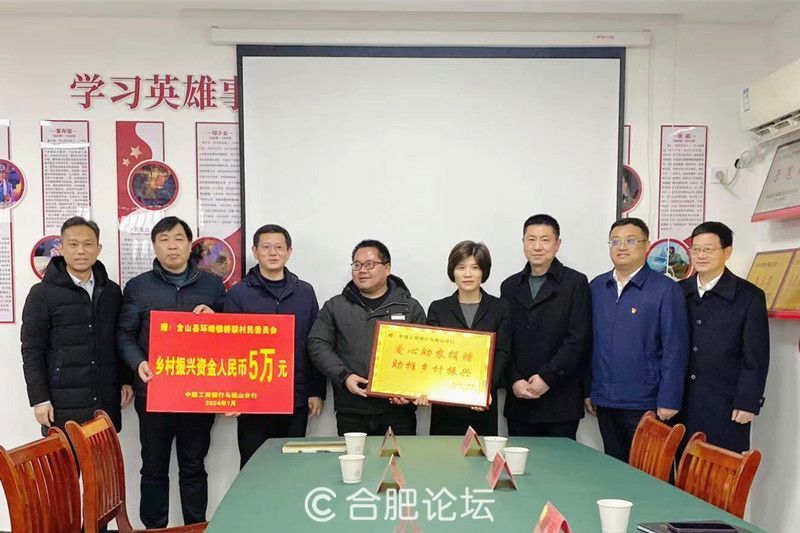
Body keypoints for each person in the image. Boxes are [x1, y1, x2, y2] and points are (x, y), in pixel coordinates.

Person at [117, 216, 226, 529]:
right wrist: (138, 362)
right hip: (154, 392)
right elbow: (124, 334)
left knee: (194, 467)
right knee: (153, 468)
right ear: (154, 245)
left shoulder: (212, 285)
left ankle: (195, 526)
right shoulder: (138, 287)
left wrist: (216, 319)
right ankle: (154, 528)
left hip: (197, 393)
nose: (172, 246)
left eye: (178, 239)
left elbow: (229, 336)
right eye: (164, 239)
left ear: (190, 245)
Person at [586, 217, 688, 462]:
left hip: (646, 402)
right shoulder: (597, 287)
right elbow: (587, 344)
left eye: (630, 241)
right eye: (615, 241)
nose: (622, 247)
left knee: (650, 473)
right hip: (605, 399)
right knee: (614, 469)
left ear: (646, 246)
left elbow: (675, 349)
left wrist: (669, 399)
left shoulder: (665, 289)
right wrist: (589, 390)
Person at [224, 224, 326, 468]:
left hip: (294, 397)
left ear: (289, 252)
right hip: (253, 400)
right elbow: (229, 349)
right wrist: (231, 394)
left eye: (279, 247)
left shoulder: (304, 292)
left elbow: (314, 343)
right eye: (266, 247)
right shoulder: (239, 294)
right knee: (253, 466)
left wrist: (316, 391)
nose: (273, 252)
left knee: (290, 467)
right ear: (255, 251)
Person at [21, 216, 132, 435]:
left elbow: (120, 338)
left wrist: (126, 380)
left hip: (105, 399)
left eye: (88, 244)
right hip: (62, 402)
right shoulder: (42, 294)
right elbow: (32, 349)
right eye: (73, 244)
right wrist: (39, 398)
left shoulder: (111, 291)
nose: (81, 251)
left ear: (98, 249)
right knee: (66, 456)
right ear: (61, 249)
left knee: (103, 456)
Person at [308, 239, 426, 436]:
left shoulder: (409, 308)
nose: (362, 270)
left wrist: (410, 390)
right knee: (353, 457)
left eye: (369, 264)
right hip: (352, 409)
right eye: (357, 265)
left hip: (398, 412)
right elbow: (317, 343)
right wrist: (344, 376)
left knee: (398, 457)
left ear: (387, 268)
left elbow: (423, 355)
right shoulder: (336, 306)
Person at [679, 221, 769, 452]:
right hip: (681, 402)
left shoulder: (749, 296)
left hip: (725, 404)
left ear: (727, 252)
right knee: (678, 466)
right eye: (696, 249)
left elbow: (756, 357)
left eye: (708, 249)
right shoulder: (678, 291)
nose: (700, 255)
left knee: (719, 467)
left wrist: (748, 402)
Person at [500, 214, 592, 439]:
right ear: (523, 243)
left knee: (559, 461)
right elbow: (504, 340)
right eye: (531, 239)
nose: (537, 247)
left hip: (560, 398)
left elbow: (578, 339)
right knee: (518, 459)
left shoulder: (575, 283)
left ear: (557, 244)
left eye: (545, 240)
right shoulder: (509, 286)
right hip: (520, 398)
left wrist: (547, 377)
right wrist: (514, 380)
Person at [422, 241, 510, 436]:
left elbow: (502, 352)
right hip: (445, 405)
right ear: (452, 272)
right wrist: (424, 387)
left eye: (475, 268)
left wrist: (484, 391)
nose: (467, 274)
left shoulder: (500, 308)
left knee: (482, 453)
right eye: (461, 267)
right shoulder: (438, 308)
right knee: (444, 453)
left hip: (483, 404)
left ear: (483, 272)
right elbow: (431, 355)